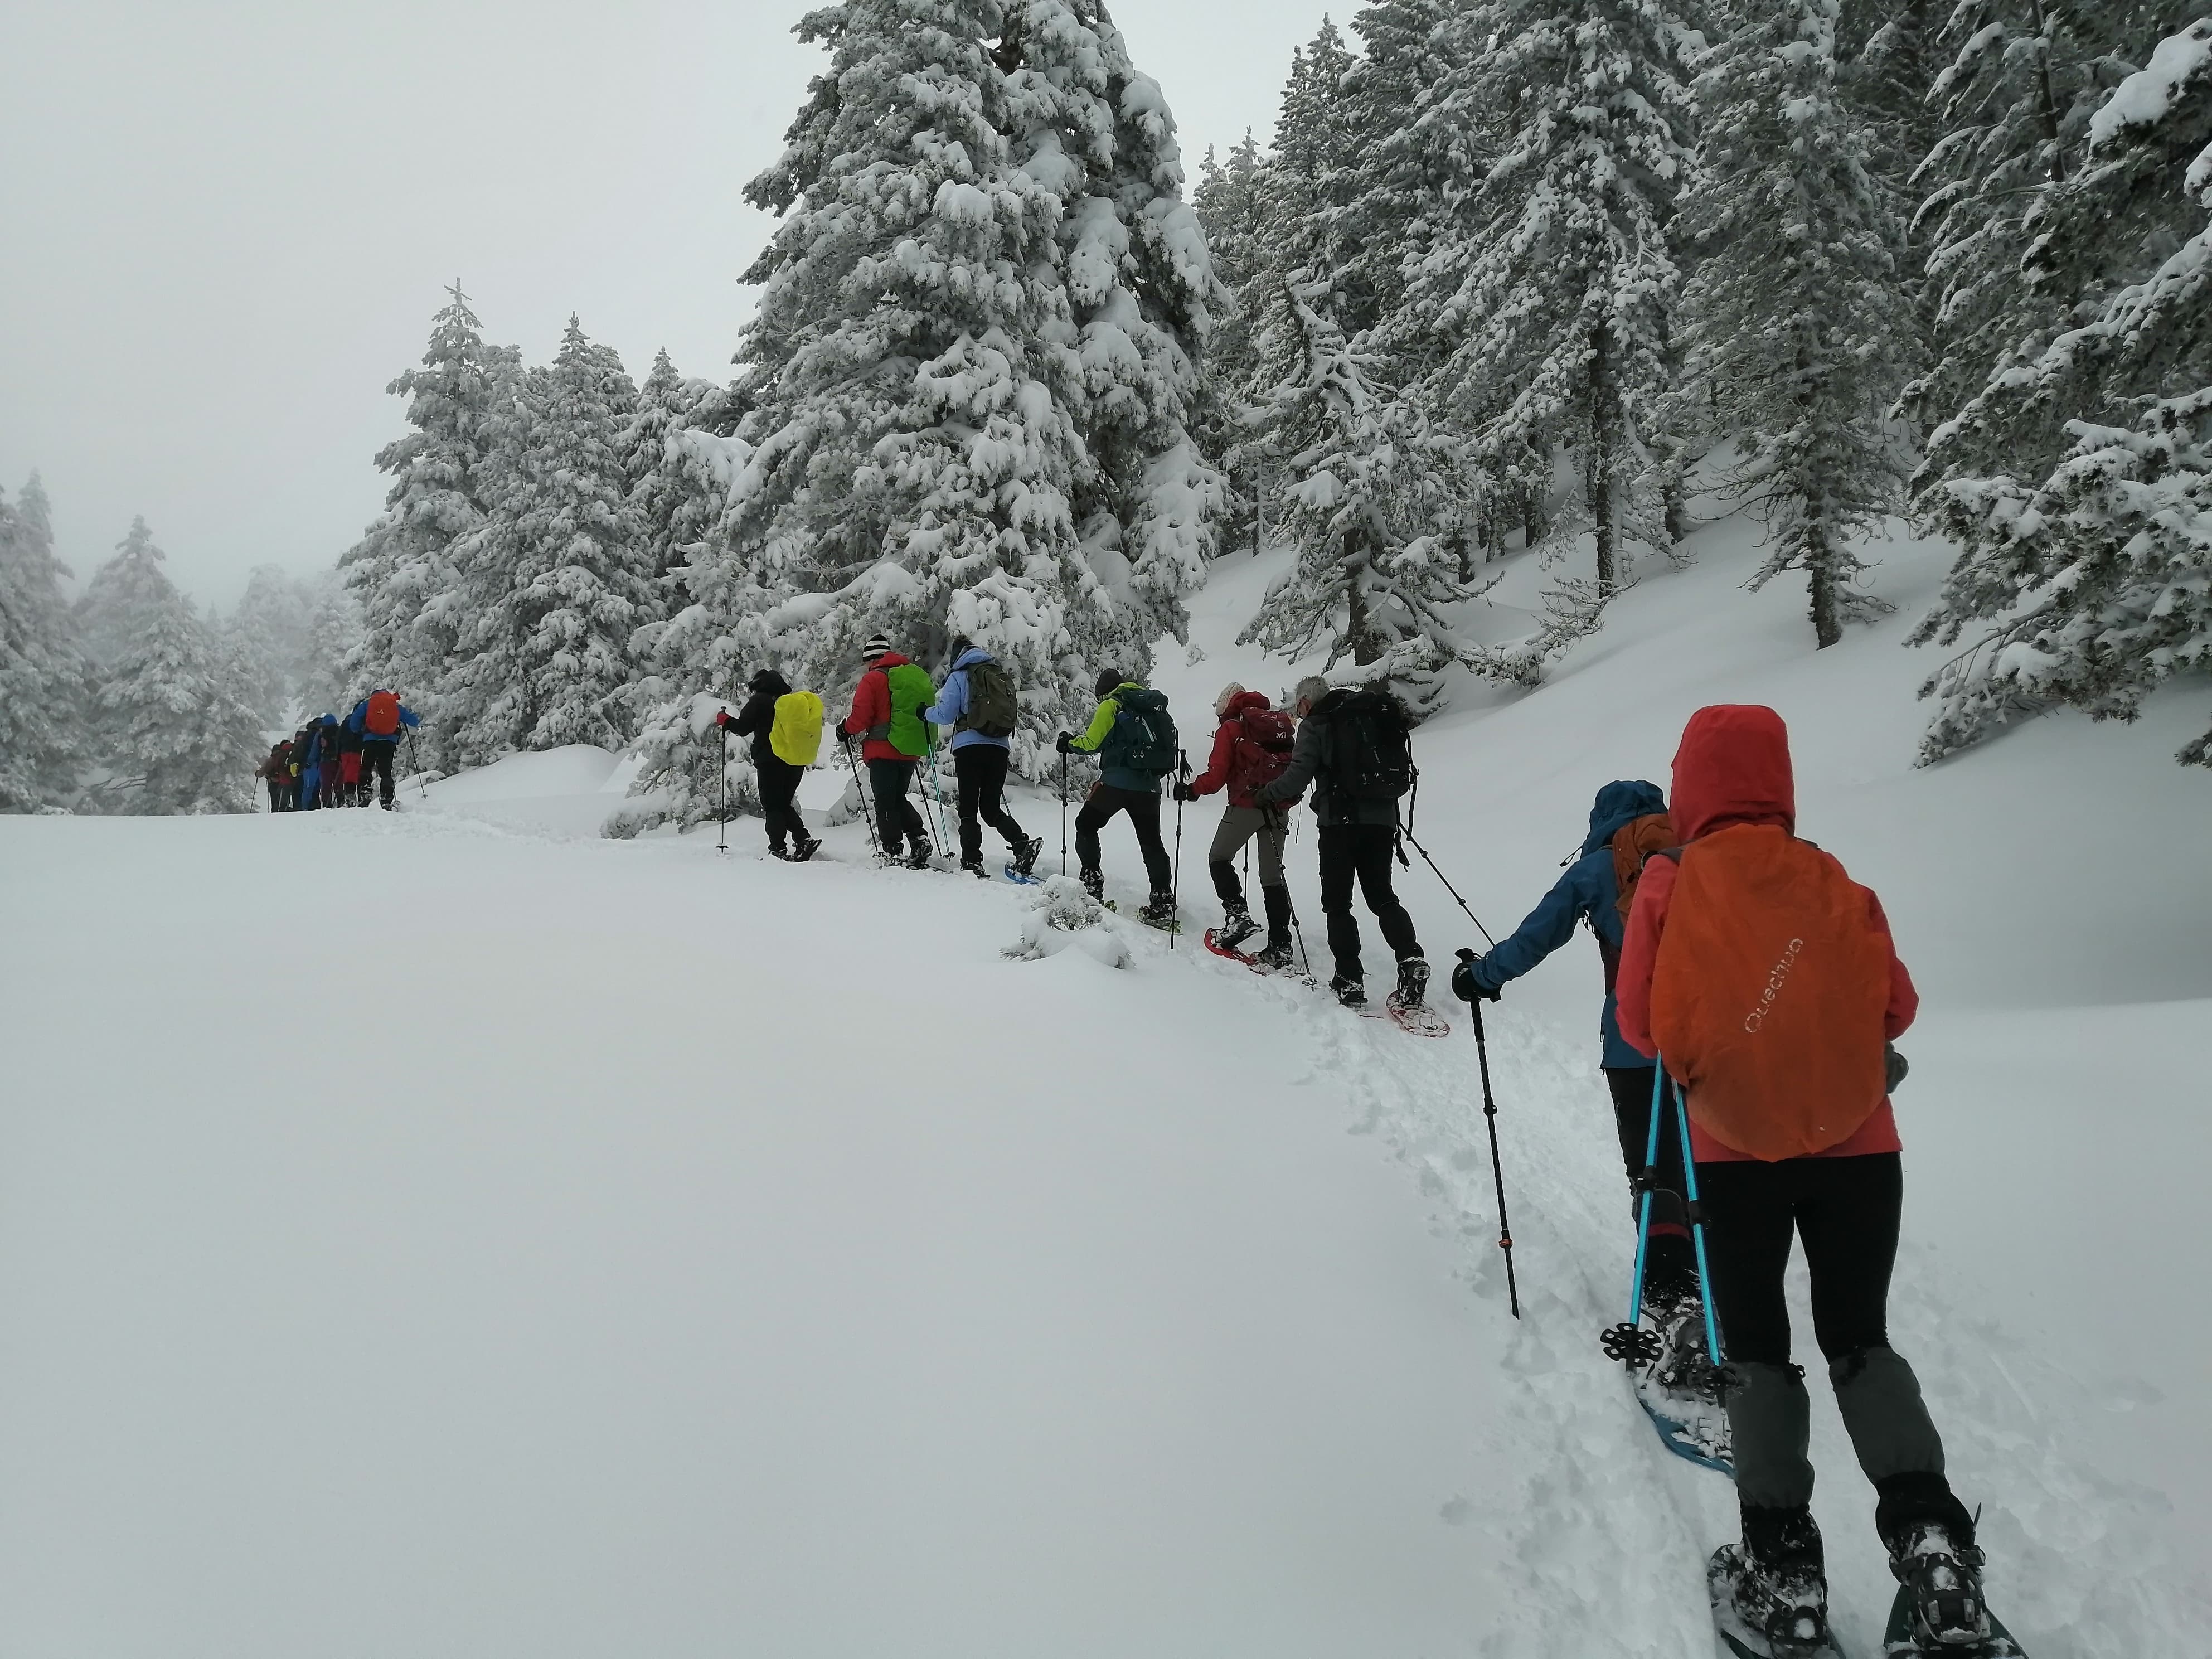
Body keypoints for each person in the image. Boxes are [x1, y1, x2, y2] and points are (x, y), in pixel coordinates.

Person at [1614, 705, 1990, 1657]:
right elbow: (1895, 1006)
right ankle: (1933, 1548)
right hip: (1861, 1149)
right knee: (1860, 1339)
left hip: (1733, 1158)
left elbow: (1639, 1029)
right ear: (1777, 781)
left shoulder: (1667, 881)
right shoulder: (1829, 874)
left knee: (1757, 1354)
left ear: (1689, 782)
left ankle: (1783, 1577)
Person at [1449, 783, 1711, 1371]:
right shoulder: (1703, 853)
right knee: (1703, 1158)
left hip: (1633, 1043)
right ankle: (1713, 1274)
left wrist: (1480, 977)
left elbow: (1537, 935)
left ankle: (1670, 1289)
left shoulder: (1598, 868)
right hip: (1715, 1040)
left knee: (1652, 1165)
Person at [1253, 677, 1427, 1009]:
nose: (1299, 711)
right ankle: (1411, 959)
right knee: (1382, 897)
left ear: (1305, 701)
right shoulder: (1367, 716)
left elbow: (1297, 777)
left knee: (1338, 904)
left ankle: (1349, 979)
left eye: (1298, 704)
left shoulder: (1317, 724)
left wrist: (1266, 794)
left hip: (1340, 824)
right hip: (1383, 820)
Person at [1175, 683, 1296, 966]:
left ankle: (1238, 918)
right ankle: (1280, 945)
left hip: (1246, 805)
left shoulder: (1231, 728)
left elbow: (1216, 778)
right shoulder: (1275, 723)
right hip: (1278, 807)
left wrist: (1192, 790)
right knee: (1273, 877)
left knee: (1219, 858)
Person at [1056, 669, 1176, 923]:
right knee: (1152, 843)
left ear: (1104, 691)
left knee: (1086, 825)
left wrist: (1069, 743)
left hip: (1116, 785)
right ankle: (1163, 900)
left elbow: (1092, 743)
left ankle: (1091, 885)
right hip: (1150, 787)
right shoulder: (1151, 706)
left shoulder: (1112, 705)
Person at [923, 637, 1042, 879]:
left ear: (957, 656)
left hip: (969, 748)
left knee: (969, 809)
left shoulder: (960, 676)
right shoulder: (996, 675)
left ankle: (972, 862)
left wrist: (924, 713)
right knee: (990, 808)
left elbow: (946, 714)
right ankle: (1022, 845)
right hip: (999, 747)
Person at [840, 636, 935, 867]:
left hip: (883, 750)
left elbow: (862, 717)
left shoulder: (873, 679)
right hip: (909, 750)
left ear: (872, 659)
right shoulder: (909, 676)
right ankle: (919, 837)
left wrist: (845, 729)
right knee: (897, 798)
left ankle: (893, 850)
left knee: (885, 802)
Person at [717, 668, 821, 861]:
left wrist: (726, 721)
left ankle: (778, 848)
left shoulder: (760, 700)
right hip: (794, 760)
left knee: (773, 806)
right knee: (782, 803)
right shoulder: (792, 703)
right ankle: (803, 840)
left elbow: (743, 728)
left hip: (770, 760)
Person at [346, 690, 421, 810]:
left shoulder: (368, 704)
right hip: (388, 742)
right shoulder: (394, 705)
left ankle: (365, 793)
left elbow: (354, 722)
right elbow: (413, 720)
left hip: (370, 740)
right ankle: (386, 799)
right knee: (386, 772)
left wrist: (358, 731)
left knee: (366, 767)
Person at [256, 740, 294, 811]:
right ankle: (283, 811)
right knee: (282, 799)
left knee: (275, 801)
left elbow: (261, 772)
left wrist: (257, 773)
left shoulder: (270, 760)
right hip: (282, 782)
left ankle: (275, 813)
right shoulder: (283, 758)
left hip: (272, 782)